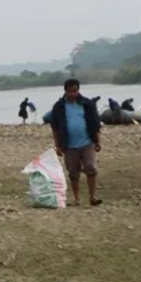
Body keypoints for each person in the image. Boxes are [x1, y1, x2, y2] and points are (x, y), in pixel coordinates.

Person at [50, 79, 103, 207]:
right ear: (66, 91)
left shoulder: (86, 104)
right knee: (73, 172)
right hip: (69, 145)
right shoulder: (59, 107)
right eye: (71, 91)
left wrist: (98, 141)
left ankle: (92, 197)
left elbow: (95, 124)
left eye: (75, 91)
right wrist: (57, 146)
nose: (73, 94)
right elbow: (55, 128)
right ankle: (76, 198)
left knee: (90, 168)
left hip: (87, 142)